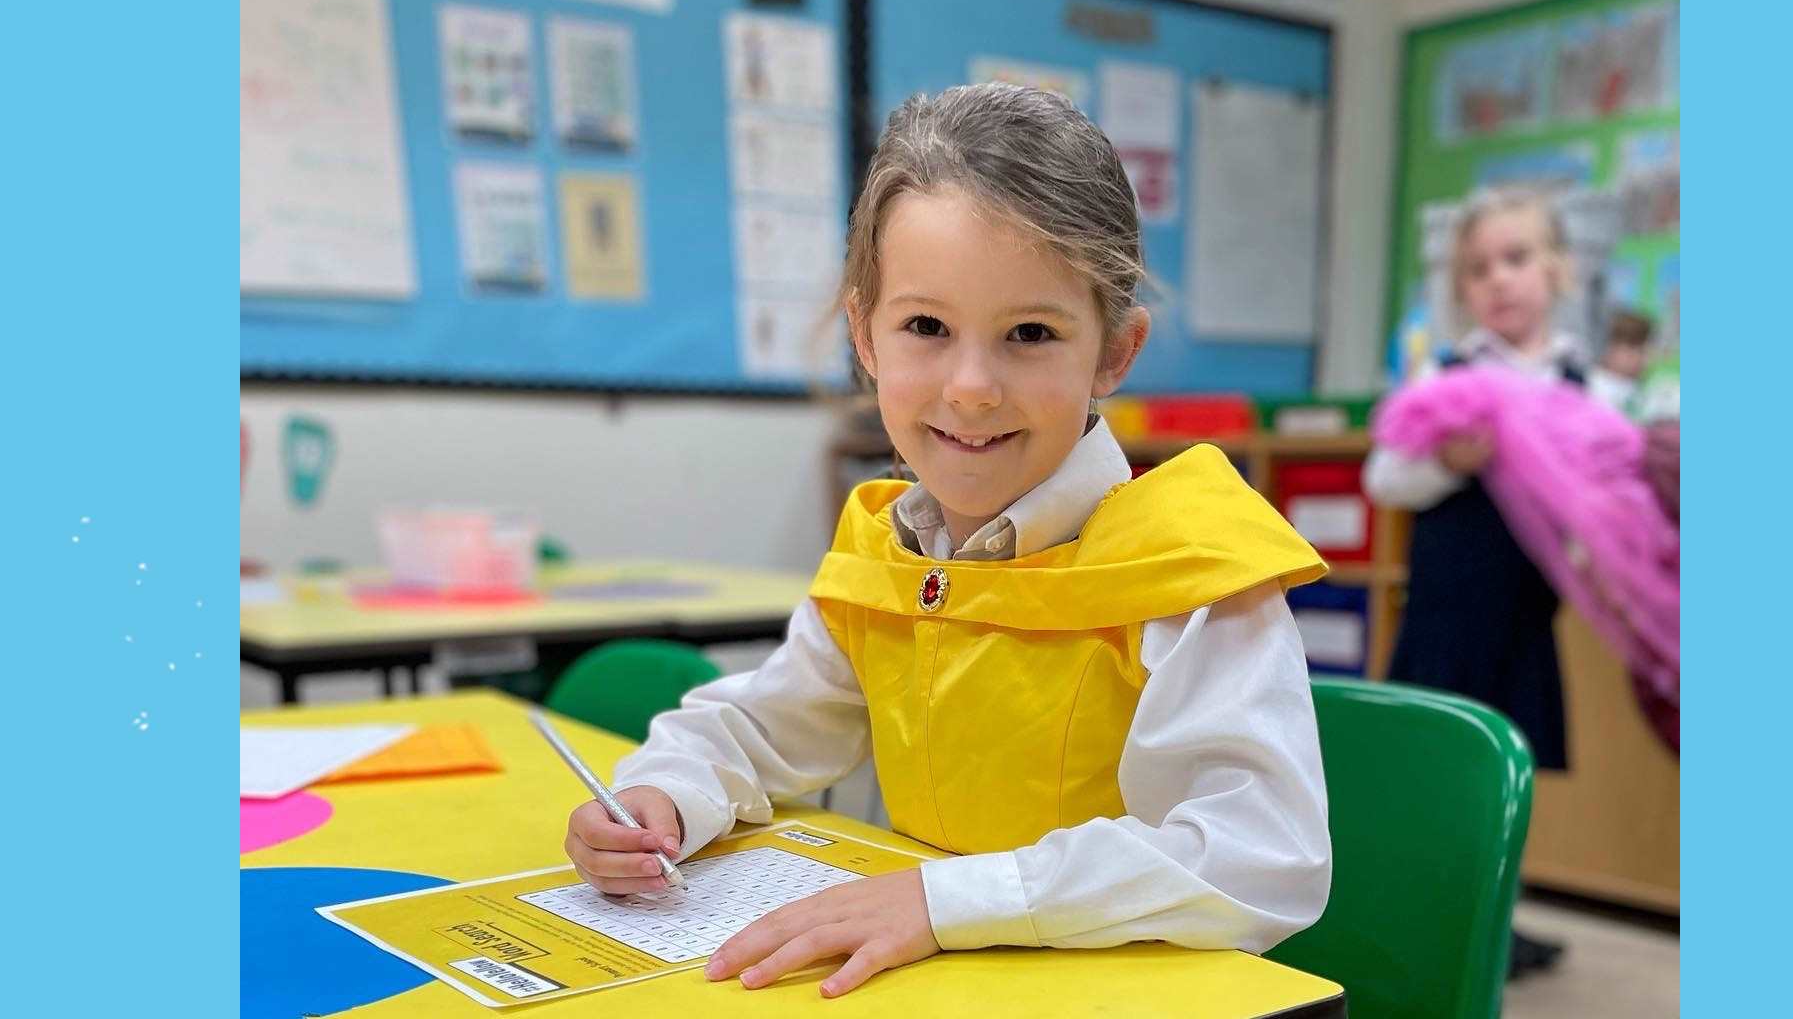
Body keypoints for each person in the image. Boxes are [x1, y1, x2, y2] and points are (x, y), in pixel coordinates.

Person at [563, 83, 1333, 998]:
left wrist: (946, 901)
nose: (971, 388)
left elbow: (1259, 855)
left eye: (1031, 333)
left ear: (1115, 352)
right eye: (927, 327)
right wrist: (662, 801)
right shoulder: (890, 552)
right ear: (866, 337)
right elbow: (764, 726)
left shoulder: (1193, 566)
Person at [1363, 186, 1585, 977]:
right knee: (1437, 770)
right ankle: (1424, 918)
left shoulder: (1578, 386)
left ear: (1558, 270)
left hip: (1526, 615)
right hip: (1451, 613)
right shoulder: (1445, 378)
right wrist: (1446, 463)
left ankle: (1496, 918)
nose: (1499, 279)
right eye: (1479, 268)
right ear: (1461, 290)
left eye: (1517, 259)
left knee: (1507, 773)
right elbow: (1386, 476)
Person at [1589, 309, 1654, 415]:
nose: (1640, 358)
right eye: (1631, 349)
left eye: (1642, 350)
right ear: (1608, 347)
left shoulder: (1641, 388)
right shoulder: (1591, 384)